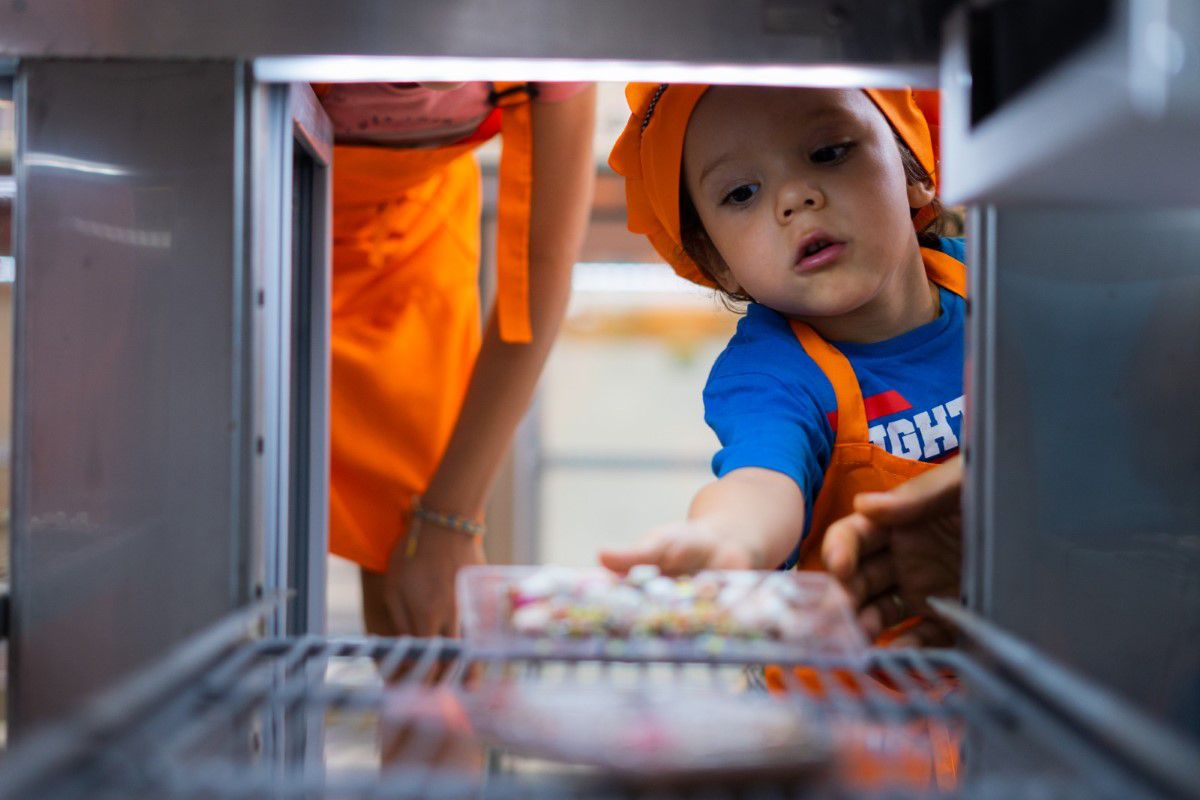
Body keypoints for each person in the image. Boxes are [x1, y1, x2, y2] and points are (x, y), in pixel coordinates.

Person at [600, 83, 964, 642]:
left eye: (829, 152)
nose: (794, 197)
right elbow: (761, 479)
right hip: (860, 707)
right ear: (718, 263)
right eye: (742, 192)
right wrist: (730, 538)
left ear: (914, 170)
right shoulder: (770, 373)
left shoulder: (1004, 277)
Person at [319, 81, 596, 637]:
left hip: (408, 247)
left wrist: (450, 520)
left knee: (420, 585)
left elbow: (539, 283)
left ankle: (424, 718)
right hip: (243, 204)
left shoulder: (553, 34)